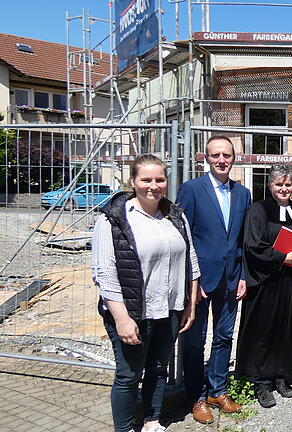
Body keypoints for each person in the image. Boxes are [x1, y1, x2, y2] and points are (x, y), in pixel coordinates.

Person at [92, 154, 200, 432]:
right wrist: (122, 319)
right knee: (128, 376)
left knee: (158, 369)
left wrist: (191, 304)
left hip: (169, 310)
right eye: (146, 179)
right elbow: (104, 274)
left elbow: (192, 261)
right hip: (132, 313)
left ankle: (153, 420)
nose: (153, 186)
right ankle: (125, 428)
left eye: (159, 179)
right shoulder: (113, 219)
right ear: (133, 181)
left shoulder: (175, 214)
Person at [178, 135, 251, 424]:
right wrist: (189, 282)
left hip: (231, 279)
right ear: (205, 158)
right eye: (215, 155)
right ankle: (196, 397)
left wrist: (243, 275)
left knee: (223, 336)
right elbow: (182, 238)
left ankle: (217, 390)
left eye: (227, 155)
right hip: (200, 281)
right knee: (195, 340)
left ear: (234, 158)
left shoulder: (243, 193)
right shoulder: (192, 190)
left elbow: (243, 240)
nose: (221, 160)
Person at [236, 164, 292, 408]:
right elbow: (253, 244)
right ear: (270, 185)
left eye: (288, 184)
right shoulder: (259, 209)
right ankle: (260, 381)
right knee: (264, 330)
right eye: (279, 184)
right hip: (268, 281)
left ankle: (282, 374)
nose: (284, 188)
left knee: (287, 328)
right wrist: (282, 257)